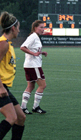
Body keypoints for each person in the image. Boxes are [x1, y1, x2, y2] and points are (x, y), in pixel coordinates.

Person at [0, 11, 26, 140]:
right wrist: (0, 88)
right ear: (13, 28)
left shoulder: (7, 43)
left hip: (4, 87)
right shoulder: (3, 43)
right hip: (0, 87)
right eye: (18, 28)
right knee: (11, 118)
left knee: (21, 118)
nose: (19, 31)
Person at [20, 20, 47, 114]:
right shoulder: (33, 36)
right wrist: (34, 53)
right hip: (33, 65)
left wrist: (40, 53)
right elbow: (22, 47)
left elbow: (33, 49)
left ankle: (23, 107)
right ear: (35, 28)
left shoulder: (35, 37)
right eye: (41, 27)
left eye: (43, 27)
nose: (43, 29)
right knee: (42, 85)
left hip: (29, 65)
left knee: (30, 86)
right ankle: (36, 107)